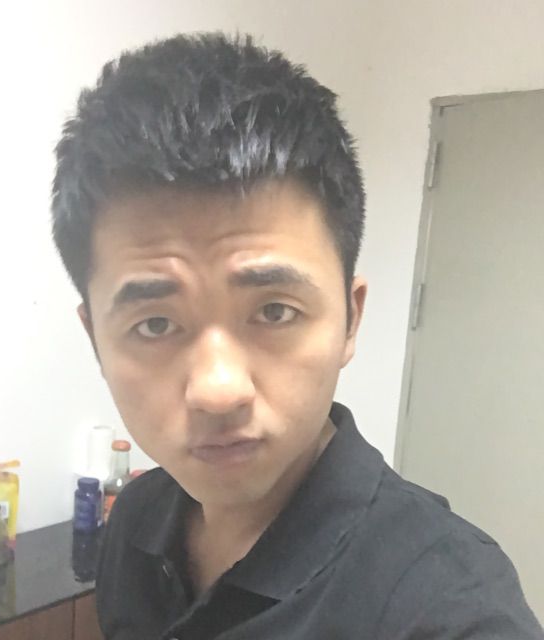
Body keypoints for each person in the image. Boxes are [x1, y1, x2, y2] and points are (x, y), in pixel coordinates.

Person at [51, 32, 543, 640]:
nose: (218, 390)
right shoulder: (136, 519)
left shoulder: (446, 604)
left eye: (275, 311)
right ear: (96, 340)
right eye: (155, 324)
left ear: (350, 320)